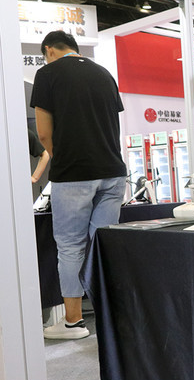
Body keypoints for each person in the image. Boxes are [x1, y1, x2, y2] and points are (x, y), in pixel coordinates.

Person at [31, 31, 127, 339]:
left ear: (49, 50)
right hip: (113, 171)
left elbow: (43, 134)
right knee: (104, 245)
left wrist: (63, 159)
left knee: (71, 246)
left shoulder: (47, 74)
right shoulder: (104, 74)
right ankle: (109, 316)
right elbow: (114, 125)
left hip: (74, 174)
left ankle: (74, 322)